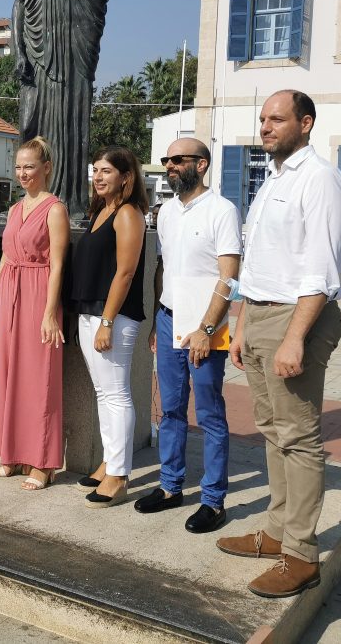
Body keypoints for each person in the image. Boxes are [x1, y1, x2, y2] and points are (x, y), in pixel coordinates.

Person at [217, 90, 341, 599]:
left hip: (298, 319)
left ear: (306, 123)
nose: (266, 127)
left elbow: (319, 269)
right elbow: (259, 264)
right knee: (273, 431)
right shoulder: (274, 177)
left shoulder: (320, 180)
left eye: (277, 119)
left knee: (298, 437)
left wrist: (294, 339)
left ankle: (300, 554)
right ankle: (276, 531)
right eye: (263, 119)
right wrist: (243, 325)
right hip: (262, 314)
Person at [135, 139, 241, 534]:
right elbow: (163, 268)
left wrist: (207, 329)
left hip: (206, 328)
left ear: (201, 164)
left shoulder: (222, 211)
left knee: (210, 414)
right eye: (167, 160)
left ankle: (213, 501)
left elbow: (229, 277)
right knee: (171, 409)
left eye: (177, 160)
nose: (169, 166)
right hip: (168, 320)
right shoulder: (166, 214)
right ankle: (170, 486)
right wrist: (155, 322)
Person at [13, 0, 109, 217]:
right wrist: (18, 49)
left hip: (69, 55)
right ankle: (31, 201)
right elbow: (18, 2)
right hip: (35, 53)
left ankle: (66, 202)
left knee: (65, 128)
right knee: (30, 124)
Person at [0, 136, 70, 490]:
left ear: (46, 168)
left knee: (39, 378)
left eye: (30, 166)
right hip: (10, 294)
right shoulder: (16, 208)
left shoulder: (55, 209)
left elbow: (59, 263)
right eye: (18, 167)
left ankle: (43, 462)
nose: (23, 173)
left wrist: (50, 312)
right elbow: (5, 257)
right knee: (8, 375)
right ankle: (13, 454)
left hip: (39, 294)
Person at [70, 146, 147, 508]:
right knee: (104, 393)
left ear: (126, 177)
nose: (98, 177)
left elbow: (126, 272)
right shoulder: (101, 211)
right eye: (95, 170)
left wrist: (107, 321)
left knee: (116, 394)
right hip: (92, 313)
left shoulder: (128, 213)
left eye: (106, 171)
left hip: (113, 317)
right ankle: (108, 462)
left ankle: (118, 475)